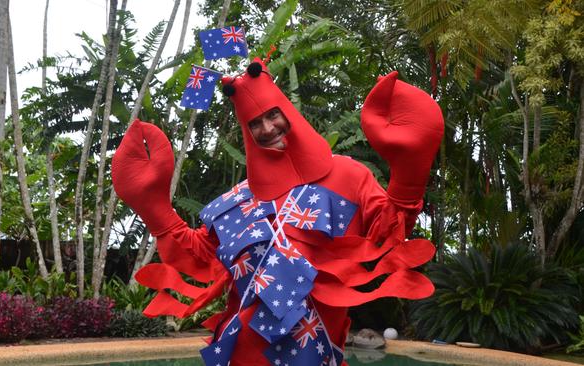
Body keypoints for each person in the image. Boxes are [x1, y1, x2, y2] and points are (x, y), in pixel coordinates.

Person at [111, 58, 444, 366]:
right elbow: (199, 255)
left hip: (316, 350)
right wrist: (154, 207)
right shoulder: (237, 198)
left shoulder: (348, 175)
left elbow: (388, 231)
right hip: (240, 351)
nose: (267, 128)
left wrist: (410, 171)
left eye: (272, 115)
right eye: (255, 123)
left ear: (288, 112)